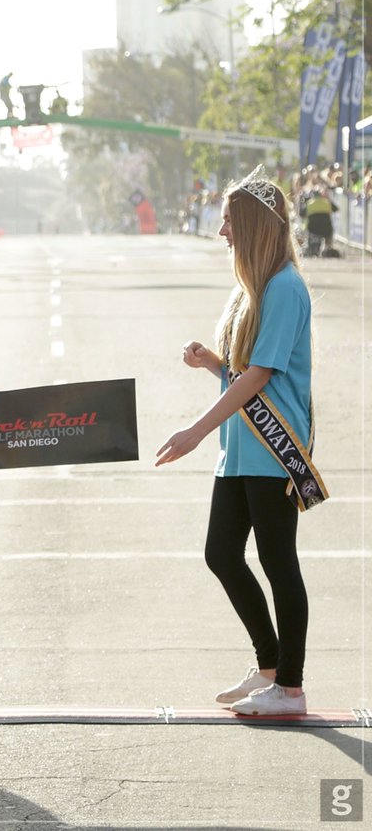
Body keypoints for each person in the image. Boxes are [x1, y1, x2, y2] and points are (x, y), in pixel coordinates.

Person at [156, 165, 320, 716]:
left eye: (228, 222)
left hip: (273, 451)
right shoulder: (251, 288)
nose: (220, 231)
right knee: (222, 554)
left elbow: (260, 378)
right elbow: (243, 372)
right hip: (242, 448)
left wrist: (195, 431)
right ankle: (270, 667)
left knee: (278, 563)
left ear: (251, 225)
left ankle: (290, 690)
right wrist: (214, 364)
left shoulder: (284, 287)